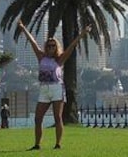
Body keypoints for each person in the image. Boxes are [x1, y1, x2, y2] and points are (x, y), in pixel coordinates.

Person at [19, 20, 91, 150]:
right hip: (44, 89)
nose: (51, 48)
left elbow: (72, 46)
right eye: (49, 46)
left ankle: (58, 144)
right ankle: (37, 144)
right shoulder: (41, 56)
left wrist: (82, 34)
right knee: (37, 118)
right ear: (46, 47)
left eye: (53, 46)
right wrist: (23, 28)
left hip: (57, 88)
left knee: (58, 117)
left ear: (56, 47)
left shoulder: (60, 59)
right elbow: (32, 42)